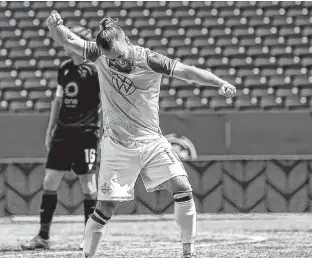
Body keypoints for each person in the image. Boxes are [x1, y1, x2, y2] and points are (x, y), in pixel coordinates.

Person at [46, 11, 236, 258]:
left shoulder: (149, 59)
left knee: (183, 187)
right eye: (110, 59)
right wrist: (55, 28)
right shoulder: (99, 55)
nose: (116, 62)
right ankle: (87, 255)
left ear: (125, 41)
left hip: (151, 142)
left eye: (119, 55)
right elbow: (69, 39)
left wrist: (219, 82)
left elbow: (187, 72)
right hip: (116, 145)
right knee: (105, 207)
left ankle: (188, 251)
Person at [21, 26, 101, 250]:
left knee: (88, 184)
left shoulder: (95, 70)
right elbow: (57, 101)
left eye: (67, 39)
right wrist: (50, 130)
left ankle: (89, 238)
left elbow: (105, 103)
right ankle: (43, 237)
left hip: (86, 134)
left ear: (78, 42)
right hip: (63, 134)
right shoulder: (64, 69)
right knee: (49, 182)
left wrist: (103, 132)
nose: (63, 43)